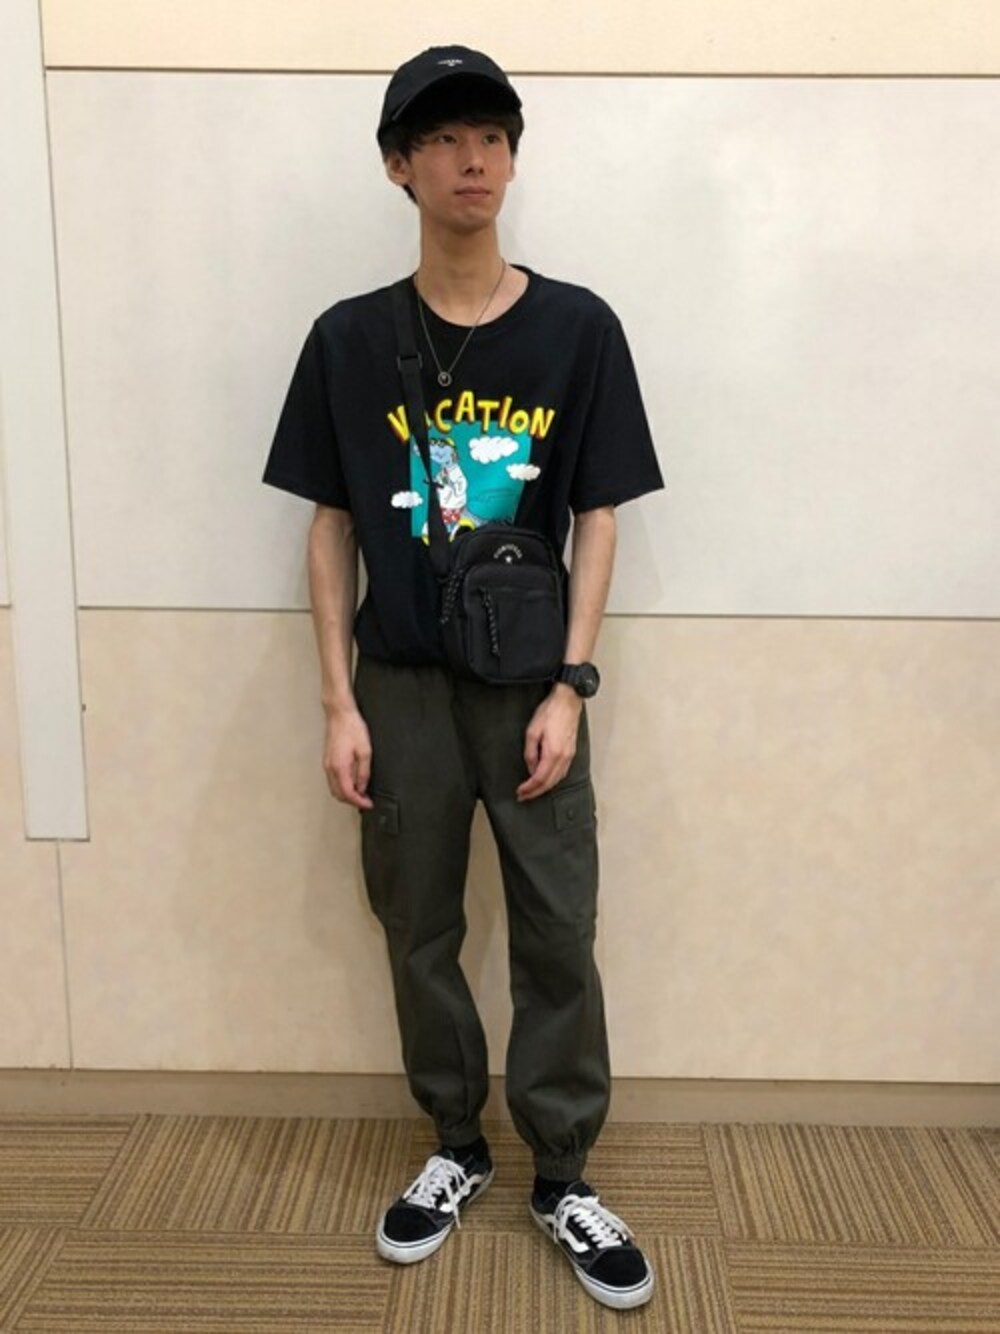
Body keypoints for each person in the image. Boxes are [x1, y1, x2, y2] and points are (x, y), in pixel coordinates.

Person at [262, 45, 664, 1311]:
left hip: (531, 684)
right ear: (399, 166)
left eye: (490, 134)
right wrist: (338, 701)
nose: (471, 159)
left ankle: (563, 1170)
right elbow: (329, 523)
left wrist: (573, 684)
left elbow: (597, 513)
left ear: (513, 157)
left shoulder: (577, 329)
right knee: (417, 922)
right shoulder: (346, 339)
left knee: (556, 925)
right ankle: (454, 1143)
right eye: (440, 138)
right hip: (399, 684)